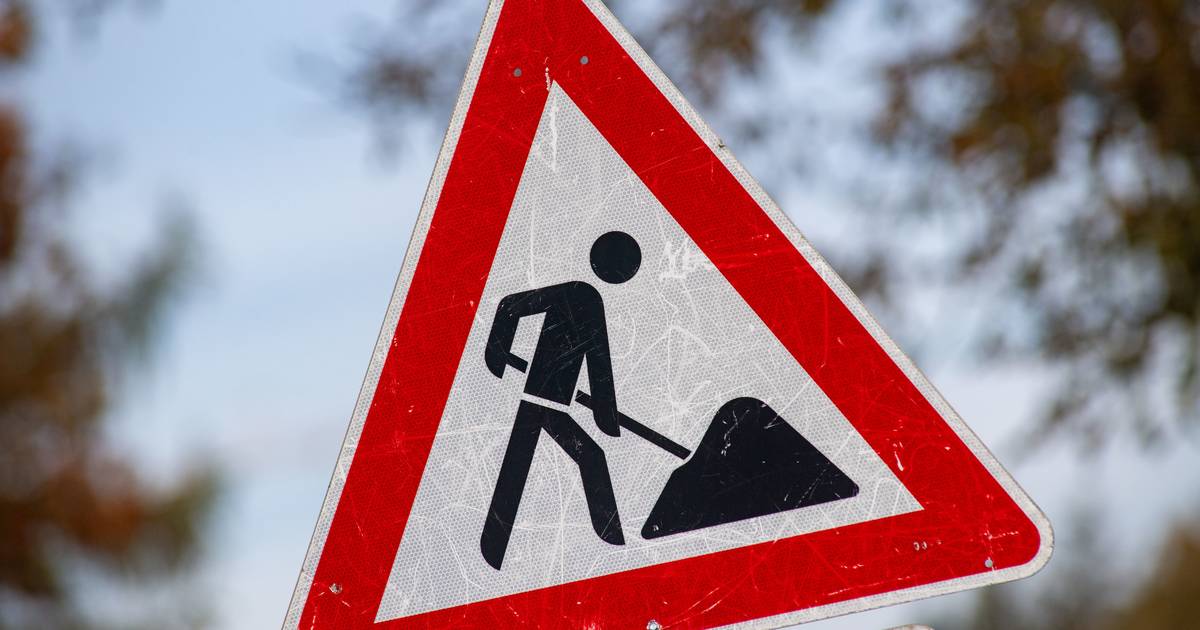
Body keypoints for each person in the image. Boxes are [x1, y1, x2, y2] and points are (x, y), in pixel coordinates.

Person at [479, 231, 642, 570]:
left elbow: (599, 365)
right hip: (540, 401)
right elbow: (510, 307)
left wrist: (605, 415)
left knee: (526, 467)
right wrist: (495, 353)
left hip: (548, 403)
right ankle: (617, 549)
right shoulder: (581, 295)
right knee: (586, 458)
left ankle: (492, 550)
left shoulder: (585, 296)